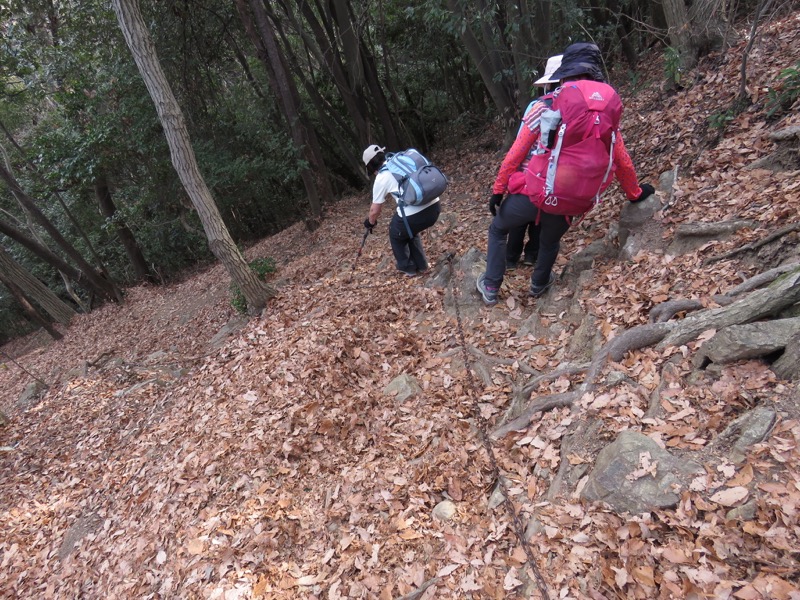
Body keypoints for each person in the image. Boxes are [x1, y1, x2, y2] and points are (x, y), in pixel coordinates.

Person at [477, 42, 655, 306]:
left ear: (562, 74)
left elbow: (515, 154)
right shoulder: (604, 114)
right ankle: (538, 285)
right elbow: (622, 161)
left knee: (498, 229)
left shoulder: (544, 105)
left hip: (530, 192)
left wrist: (498, 190)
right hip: (571, 201)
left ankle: (491, 286)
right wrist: (635, 193)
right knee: (549, 243)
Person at [506, 54, 563, 270]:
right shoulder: (578, 107)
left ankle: (510, 258)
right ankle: (532, 254)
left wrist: (507, 176)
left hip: (530, 169)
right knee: (542, 214)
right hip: (557, 173)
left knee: (518, 218)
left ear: (548, 83)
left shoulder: (538, 106)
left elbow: (521, 140)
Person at [362, 144, 441, 277]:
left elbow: (374, 210)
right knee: (407, 230)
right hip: (435, 206)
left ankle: (407, 267)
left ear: (370, 166)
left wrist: (370, 223)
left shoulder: (382, 177)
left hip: (418, 215)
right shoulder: (400, 161)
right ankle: (422, 266)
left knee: (396, 232)